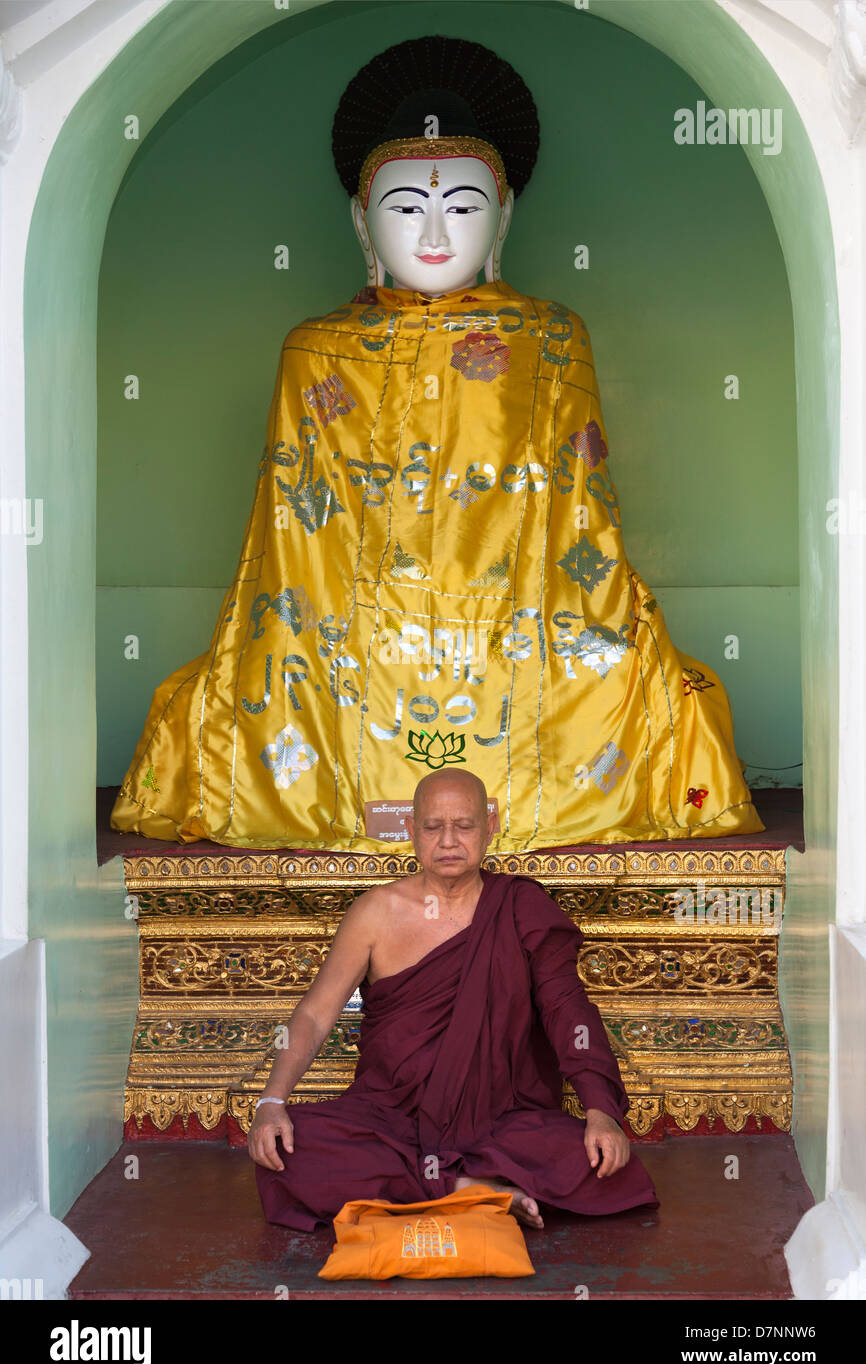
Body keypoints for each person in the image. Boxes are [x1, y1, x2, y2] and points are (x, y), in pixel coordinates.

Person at [110, 34, 764, 851]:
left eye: (460, 207)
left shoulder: (552, 337)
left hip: (523, 621)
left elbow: (581, 518)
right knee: (233, 692)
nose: (431, 234)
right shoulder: (314, 348)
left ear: (504, 216)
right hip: (351, 628)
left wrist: (568, 628)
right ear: (360, 219)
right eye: (403, 208)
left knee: (673, 700)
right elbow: (292, 535)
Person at [250, 767, 658, 1229]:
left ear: (491, 826)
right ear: (410, 830)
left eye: (464, 826)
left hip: (500, 1120)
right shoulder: (376, 913)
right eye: (432, 827)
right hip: (390, 1119)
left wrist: (601, 1111)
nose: (448, 841)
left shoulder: (520, 908)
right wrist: (271, 1103)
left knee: (604, 1168)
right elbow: (315, 1014)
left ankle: (438, 1188)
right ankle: (466, 1188)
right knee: (289, 1151)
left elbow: (570, 1014)